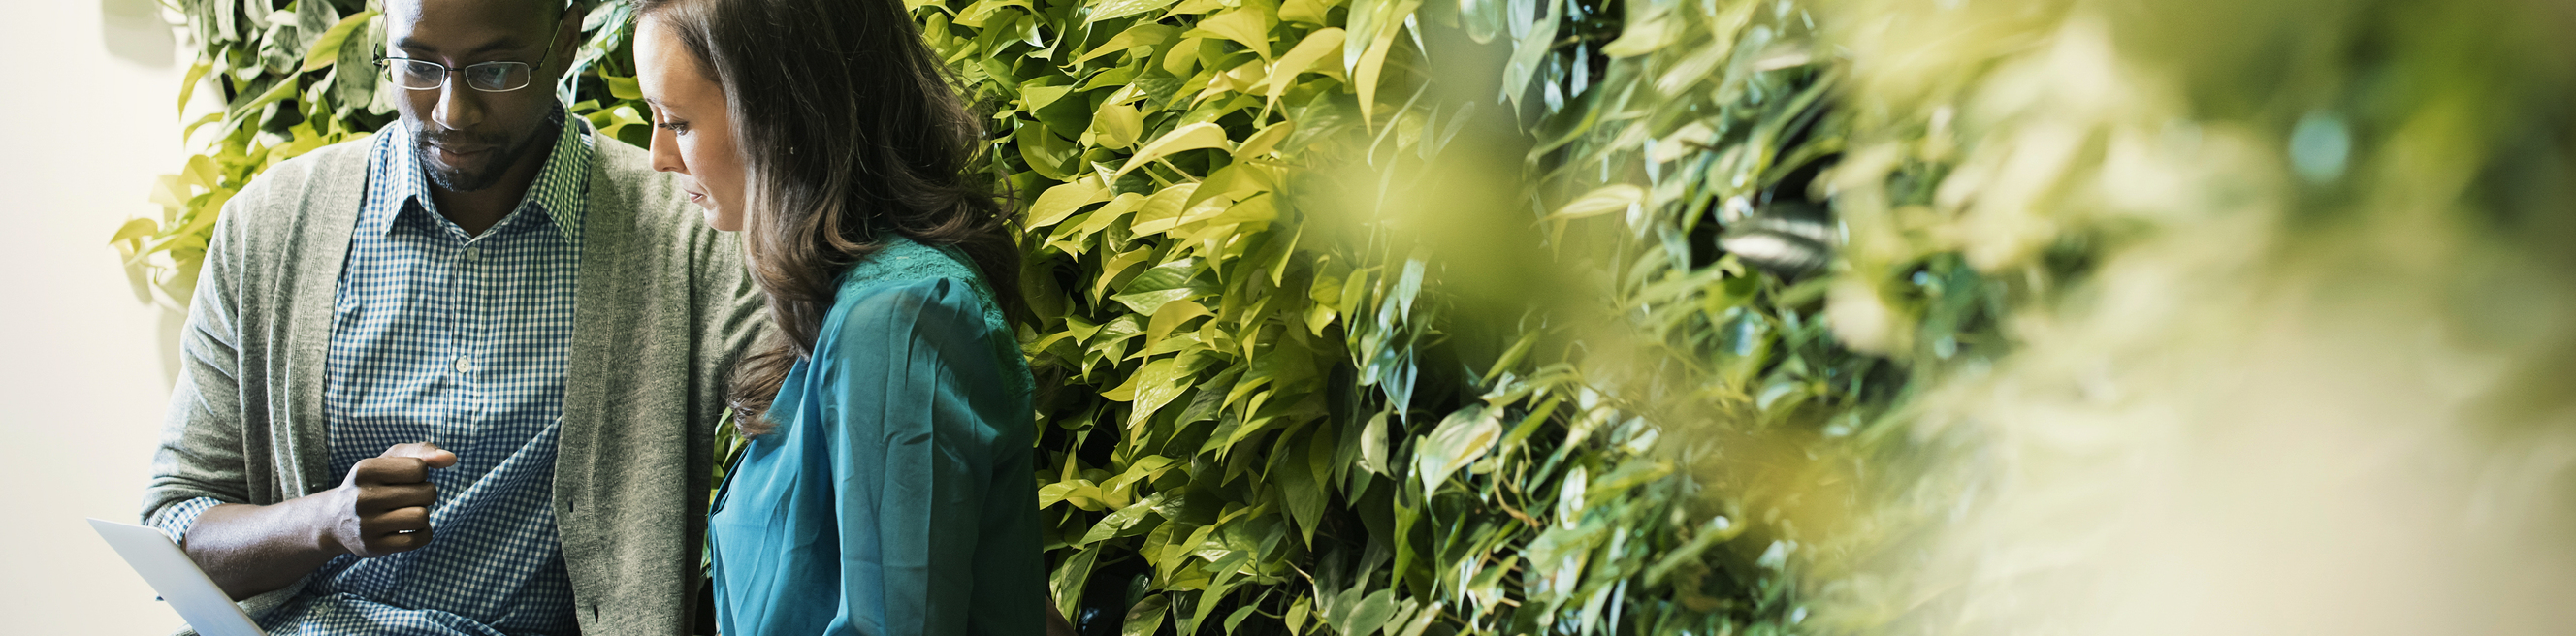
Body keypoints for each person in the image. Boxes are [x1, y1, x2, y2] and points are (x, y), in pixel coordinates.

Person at [138, 0, 766, 633]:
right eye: (417, 66)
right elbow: (173, 527)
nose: (450, 112)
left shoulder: (685, 234)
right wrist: (325, 521)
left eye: (496, 71)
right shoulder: (270, 226)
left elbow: (819, 420)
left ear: (567, 37)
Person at [628, 0, 1066, 634]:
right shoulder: (852, 301)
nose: (658, 157)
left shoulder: (901, 319)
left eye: (677, 122)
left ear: (785, 115)